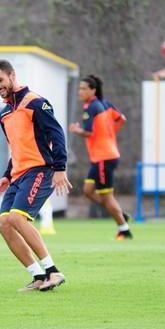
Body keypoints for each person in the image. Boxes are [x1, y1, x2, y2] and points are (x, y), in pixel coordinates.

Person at [0, 59, 73, 292]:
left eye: (0, 80)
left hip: (40, 170)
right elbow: (16, 148)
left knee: (16, 218)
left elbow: (57, 135)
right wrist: (6, 176)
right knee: (4, 224)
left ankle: (53, 272)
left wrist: (59, 168)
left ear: (12, 76)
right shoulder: (4, 113)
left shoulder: (35, 102)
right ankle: (38, 275)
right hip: (17, 175)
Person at [69, 74, 132, 240]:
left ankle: (124, 229)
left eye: (83, 88)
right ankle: (119, 213)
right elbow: (122, 119)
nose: (80, 91)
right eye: (80, 88)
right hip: (103, 156)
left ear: (93, 90)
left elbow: (89, 132)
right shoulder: (105, 104)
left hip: (104, 157)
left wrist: (76, 130)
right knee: (88, 191)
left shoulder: (91, 107)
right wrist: (110, 133)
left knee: (106, 195)